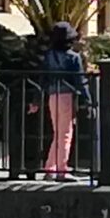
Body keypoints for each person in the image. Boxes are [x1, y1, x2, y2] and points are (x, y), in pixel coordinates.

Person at [39, 23, 89, 180]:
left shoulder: (49, 55)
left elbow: (42, 78)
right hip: (67, 95)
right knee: (66, 133)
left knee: (58, 133)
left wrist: (35, 99)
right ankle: (61, 169)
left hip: (52, 95)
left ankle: (50, 167)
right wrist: (88, 99)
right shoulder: (73, 57)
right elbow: (80, 80)